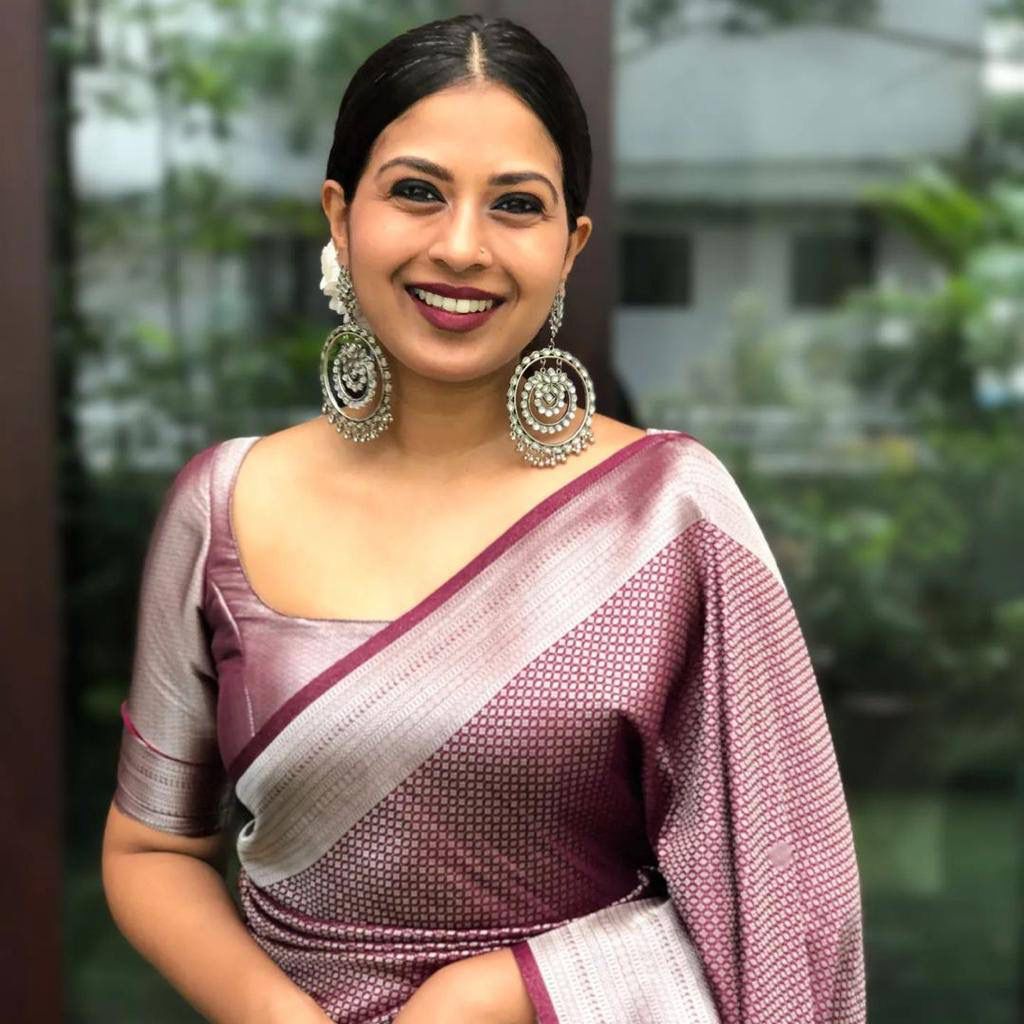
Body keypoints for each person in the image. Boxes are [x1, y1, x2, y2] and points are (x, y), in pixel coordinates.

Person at [101, 13, 866, 1024]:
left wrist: (499, 994)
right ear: (339, 215)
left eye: (516, 204)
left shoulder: (666, 516)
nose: (460, 247)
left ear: (568, 245)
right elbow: (151, 847)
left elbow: (782, 895)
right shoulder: (227, 504)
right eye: (416, 191)